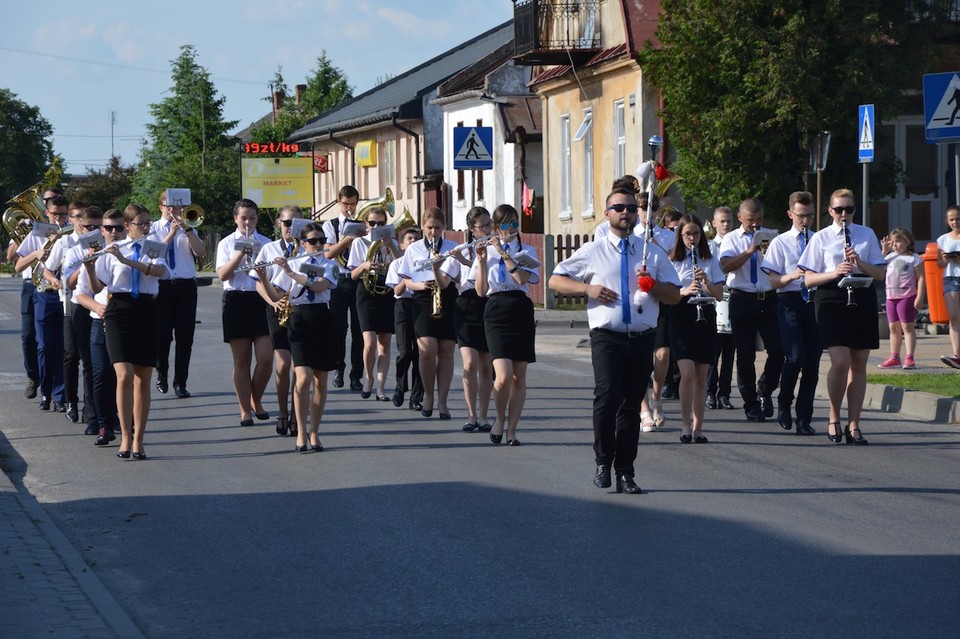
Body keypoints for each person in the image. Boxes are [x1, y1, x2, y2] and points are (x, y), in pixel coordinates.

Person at [549, 188, 681, 494]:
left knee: (631, 405)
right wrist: (588, 290)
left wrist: (653, 284)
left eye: (631, 208)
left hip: (641, 336)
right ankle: (602, 460)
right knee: (607, 396)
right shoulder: (593, 250)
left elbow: (674, 294)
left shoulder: (650, 251)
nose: (625, 212)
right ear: (607, 213)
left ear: (637, 213)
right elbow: (556, 279)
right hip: (607, 336)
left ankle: (625, 471)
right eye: (618, 207)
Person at [798, 188, 885, 445]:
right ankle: (834, 417)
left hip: (862, 295)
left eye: (849, 209)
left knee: (858, 364)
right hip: (831, 297)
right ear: (830, 211)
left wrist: (859, 262)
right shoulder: (822, 238)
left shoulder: (866, 234)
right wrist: (835, 272)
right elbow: (807, 278)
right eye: (839, 210)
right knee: (840, 361)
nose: (844, 214)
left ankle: (854, 424)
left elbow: (879, 274)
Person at [85, 204, 169, 460]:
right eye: (141, 223)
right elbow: (98, 285)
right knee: (124, 374)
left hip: (146, 309)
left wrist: (128, 261)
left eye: (148, 222)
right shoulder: (113, 249)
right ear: (128, 225)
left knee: (143, 377)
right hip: (118, 310)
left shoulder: (153, 245)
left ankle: (139, 440)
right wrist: (89, 265)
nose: (146, 227)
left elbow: (161, 271)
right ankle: (124, 436)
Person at [258, 223, 339, 453]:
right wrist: (263, 277)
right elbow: (276, 294)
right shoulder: (292, 262)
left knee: (320, 381)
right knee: (302, 377)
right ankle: (301, 432)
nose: (318, 245)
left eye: (321, 240)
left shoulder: (330, 264)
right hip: (299, 320)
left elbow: (320, 286)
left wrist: (292, 274)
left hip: (322, 319)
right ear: (303, 243)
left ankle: (315, 432)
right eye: (313, 241)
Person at [471, 204, 538, 446]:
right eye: (504, 225)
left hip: (519, 308)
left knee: (519, 376)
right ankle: (499, 419)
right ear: (496, 228)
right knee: (503, 375)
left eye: (514, 223)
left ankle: (512, 430)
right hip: (495, 309)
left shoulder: (527, 250)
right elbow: (480, 291)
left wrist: (504, 253)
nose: (510, 229)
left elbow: (521, 278)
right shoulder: (486, 252)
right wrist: (480, 262)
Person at [719, 198, 784, 423]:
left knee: (778, 350)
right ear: (740, 218)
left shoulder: (773, 236)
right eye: (750, 221)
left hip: (769, 299)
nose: (755, 225)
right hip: (742, 299)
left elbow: (781, 266)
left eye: (759, 220)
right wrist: (750, 251)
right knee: (745, 354)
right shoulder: (730, 239)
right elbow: (725, 266)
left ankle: (765, 390)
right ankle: (750, 403)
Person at [761, 191, 820, 435]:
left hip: (815, 302)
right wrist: (793, 276)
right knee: (794, 358)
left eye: (809, 216)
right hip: (790, 300)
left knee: (812, 365)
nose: (805, 221)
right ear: (790, 214)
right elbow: (774, 282)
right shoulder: (780, 242)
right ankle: (784, 403)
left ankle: (804, 417)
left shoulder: (819, 239)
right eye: (800, 216)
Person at [396, 207, 460, 419]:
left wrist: (440, 267)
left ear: (444, 228)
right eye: (430, 227)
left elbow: (452, 278)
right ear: (423, 227)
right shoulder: (414, 248)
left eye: (438, 228)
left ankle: (442, 401)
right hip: (423, 299)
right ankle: (428, 396)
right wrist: (418, 285)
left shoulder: (451, 247)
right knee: (427, 350)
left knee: (447, 351)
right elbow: (405, 279)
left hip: (446, 296)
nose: (434, 232)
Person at [216, 199, 273, 427]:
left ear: (257, 218)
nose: (248, 222)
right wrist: (239, 254)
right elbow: (223, 275)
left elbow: (270, 276)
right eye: (243, 218)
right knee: (242, 360)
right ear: (235, 219)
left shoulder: (267, 243)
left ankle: (256, 400)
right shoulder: (226, 243)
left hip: (260, 300)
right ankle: (245, 410)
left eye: (252, 217)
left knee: (266, 357)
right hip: (236, 300)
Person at [668, 214, 725, 443]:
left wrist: (706, 283)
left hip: (705, 315)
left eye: (696, 233)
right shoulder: (672, 261)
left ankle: (698, 428)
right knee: (688, 374)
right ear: (680, 236)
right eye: (687, 234)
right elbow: (667, 295)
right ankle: (684, 425)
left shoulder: (710, 260)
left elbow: (720, 295)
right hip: (681, 315)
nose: (692, 238)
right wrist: (684, 290)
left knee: (702, 378)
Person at [70, 207, 123, 447]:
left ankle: (122, 419)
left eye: (118, 227)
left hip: (125, 321)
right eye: (109, 228)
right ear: (103, 230)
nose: (114, 232)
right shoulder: (95, 254)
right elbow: (80, 293)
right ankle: (101, 422)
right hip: (97, 318)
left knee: (122, 375)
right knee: (98, 372)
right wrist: (98, 307)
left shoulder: (134, 252)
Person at [251, 205, 304, 437]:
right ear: (278, 224)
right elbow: (258, 282)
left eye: (297, 224)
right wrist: (272, 302)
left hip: (301, 309)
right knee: (282, 365)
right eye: (287, 223)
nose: (291, 228)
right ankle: (283, 412)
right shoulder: (269, 249)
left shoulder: (308, 248)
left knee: (299, 368)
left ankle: (296, 415)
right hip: (278, 307)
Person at [15, 194, 70, 412]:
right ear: (47, 213)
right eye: (55, 214)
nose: (59, 218)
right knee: (45, 346)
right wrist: (36, 254)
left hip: (66, 294)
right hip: (43, 294)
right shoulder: (36, 234)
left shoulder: (71, 234)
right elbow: (19, 266)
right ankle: (46, 391)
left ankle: (60, 394)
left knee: (64, 348)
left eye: (63, 214)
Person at [41, 200, 93, 426]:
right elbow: (48, 269)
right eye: (78, 217)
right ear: (72, 220)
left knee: (91, 360)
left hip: (93, 304)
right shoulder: (64, 242)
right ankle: (71, 401)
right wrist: (55, 280)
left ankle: (92, 407)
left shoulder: (97, 240)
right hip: (69, 304)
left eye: (85, 216)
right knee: (71, 356)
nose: (82, 221)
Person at [152, 191, 206, 398]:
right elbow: (154, 253)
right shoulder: (154, 228)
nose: (173, 210)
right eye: (168, 206)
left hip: (185, 287)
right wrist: (171, 233)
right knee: (162, 336)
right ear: (161, 207)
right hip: (162, 286)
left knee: (185, 337)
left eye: (176, 206)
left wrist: (186, 229)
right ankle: (161, 374)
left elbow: (200, 252)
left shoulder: (189, 227)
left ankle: (180, 382)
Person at [9, 186, 60, 400]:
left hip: (54, 287)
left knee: (52, 342)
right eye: (43, 202)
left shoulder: (66, 231)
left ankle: (55, 387)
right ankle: (33, 377)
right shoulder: (32, 230)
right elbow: (15, 261)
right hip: (32, 284)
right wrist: (21, 239)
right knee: (28, 336)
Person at [347, 206, 399, 400]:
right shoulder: (359, 243)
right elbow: (352, 275)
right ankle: (368, 378)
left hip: (385, 291)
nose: (376, 226)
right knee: (369, 343)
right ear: (366, 224)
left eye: (381, 223)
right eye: (372, 223)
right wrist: (364, 265)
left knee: (384, 343)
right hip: (366, 291)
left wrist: (392, 246)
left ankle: (380, 387)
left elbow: (402, 263)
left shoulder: (391, 242)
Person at [452, 207, 494, 433]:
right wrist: (451, 261)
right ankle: (471, 414)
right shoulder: (462, 250)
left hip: (488, 304)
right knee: (469, 363)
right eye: (482, 226)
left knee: (486, 364)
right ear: (471, 229)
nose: (487, 229)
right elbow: (449, 280)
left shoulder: (496, 248)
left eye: (489, 224)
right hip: (466, 305)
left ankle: (485, 416)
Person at [322, 185, 364, 391]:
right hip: (338, 281)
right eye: (346, 204)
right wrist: (348, 239)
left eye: (353, 204)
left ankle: (357, 375)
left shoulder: (364, 223)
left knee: (359, 330)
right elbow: (328, 254)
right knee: (339, 329)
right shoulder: (330, 225)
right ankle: (339, 369)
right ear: (339, 202)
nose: (349, 208)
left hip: (359, 279)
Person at [385, 227, 424, 411]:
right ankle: (400, 386)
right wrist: (407, 276)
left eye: (416, 239)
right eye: (409, 239)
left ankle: (416, 397)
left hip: (420, 305)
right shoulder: (397, 264)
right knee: (404, 352)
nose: (413, 241)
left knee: (420, 353)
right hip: (402, 305)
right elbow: (397, 291)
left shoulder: (423, 262)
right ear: (402, 245)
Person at [878, 228, 925, 370]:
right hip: (891, 297)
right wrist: (884, 251)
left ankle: (910, 357)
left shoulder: (914, 258)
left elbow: (922, 277)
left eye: (898, 241)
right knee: (893, 327)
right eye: (892, 242)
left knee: (907, 326)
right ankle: (894, 357)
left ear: (907, 241)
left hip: (907, 296)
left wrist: (919, 296)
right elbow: (879, 267)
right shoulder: (888, 257)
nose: (894, 245)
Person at [706, 205, 736, 410]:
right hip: (714, 298)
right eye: (722, 221)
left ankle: (724, 393)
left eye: (729, 221)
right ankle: (710, 392)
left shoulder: (736, 245)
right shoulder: (708, 247)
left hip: (733, 298)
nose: (726, 224)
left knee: (729, 351)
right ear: (714, 223)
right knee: (712, 351)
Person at [936, 205, 960, 369]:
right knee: (953, 317)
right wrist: (946, 259)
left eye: (957, 219)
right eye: (951, 219)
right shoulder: (942, 239)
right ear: (947, 221)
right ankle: (957, 355)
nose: (955, 222)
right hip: (950, 278)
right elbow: (938, 263)